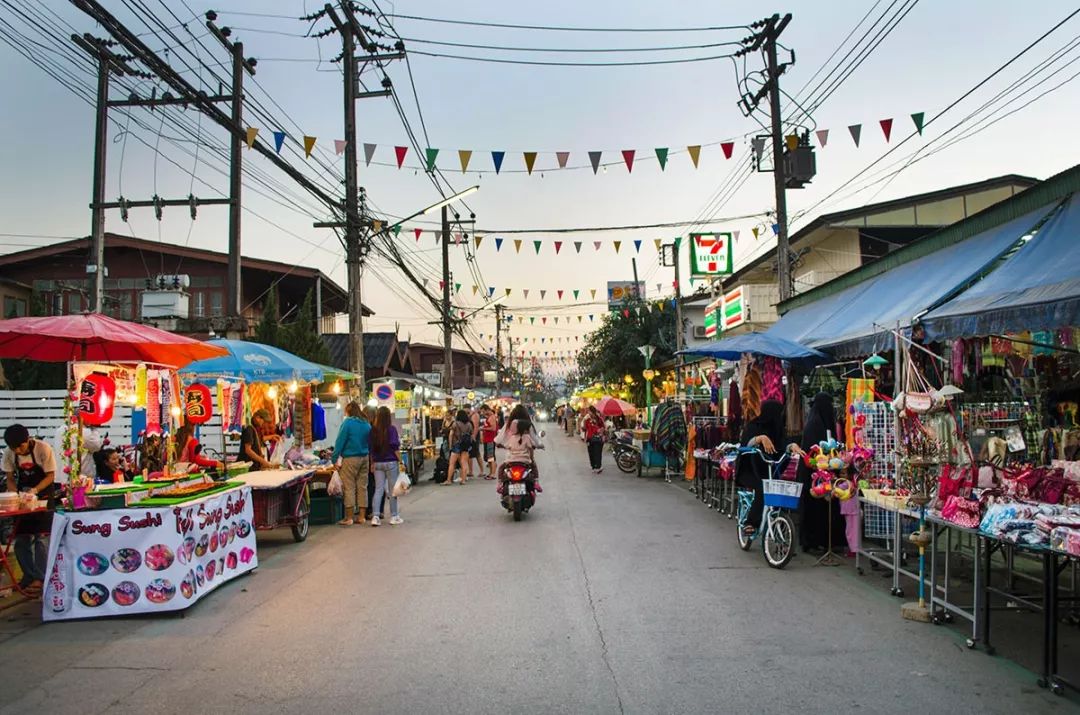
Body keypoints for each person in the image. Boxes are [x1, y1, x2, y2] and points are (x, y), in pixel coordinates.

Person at [3, 424, 56, 592]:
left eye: (20, 446)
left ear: (28, 440)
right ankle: (28, 575)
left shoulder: (43, 449)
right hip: (22, 497)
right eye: (14, 448)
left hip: (43, 496)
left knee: (42, 538)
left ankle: (41, 577)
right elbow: (10, 478)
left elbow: (50, 476)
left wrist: (35, 491)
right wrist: (15, 496)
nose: (18, 451)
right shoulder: (9, 453)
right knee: (21, 539)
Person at [736, 400, 801, 536]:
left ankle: (780, 529)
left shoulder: (778, 429)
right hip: (752, 470)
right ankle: (750, 523)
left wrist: (791, 446)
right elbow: (746, 444)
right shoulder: (753, 426)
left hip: (771, 469)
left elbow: (782, 445)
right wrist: (759, 438)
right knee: (762, 489)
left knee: (778, 490)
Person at [798, 393, 847, 553]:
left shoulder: (814, 422)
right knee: (817, 507)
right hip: (815, 475)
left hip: (815, 474)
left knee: (818, 507)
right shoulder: (817, 425)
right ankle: (815, 541)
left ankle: (818, 541)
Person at [332, 401, 371, 525]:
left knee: (349, 487)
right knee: (362, 487)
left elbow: (340, 441)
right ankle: (362, 517)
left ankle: (349, 518)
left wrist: (334, 458)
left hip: (350, 459)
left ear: (348, 411)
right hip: (365, 458)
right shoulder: (366, 424)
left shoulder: (348, 423)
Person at [368, 406, 403, 526]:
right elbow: (395, 447)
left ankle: (375, 517)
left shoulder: (373, 431)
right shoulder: (391, 429)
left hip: (377, 463)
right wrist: (401, 461)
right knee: (393, 490)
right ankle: (394, 516)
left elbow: (371, 449)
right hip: (391, 462)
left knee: (378, 489)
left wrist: (372, 463)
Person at [496, 405, 544, 490]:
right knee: (533, 466)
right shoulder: (528, 430)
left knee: (501, 468)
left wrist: (500, 445)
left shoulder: (509, 428)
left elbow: (499, 440)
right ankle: (536, 482)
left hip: (510, 460)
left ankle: (500, 484)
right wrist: (539, 445)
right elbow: (535, 441)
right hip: (525, 459)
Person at [443, 409, 474, 485]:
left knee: (452, 463)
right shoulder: (469, 424)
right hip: (465, 445)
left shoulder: (455, 424)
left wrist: (450, 445)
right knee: (464, 462)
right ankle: (463, 480)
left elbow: (451, 435)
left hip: (456, 444)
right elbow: (471, 434)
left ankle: (449, 480)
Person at [583, 405, 606, 474]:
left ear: (592, 411)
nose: (588, 413)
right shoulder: (587, 419)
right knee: (591, 453)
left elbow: (603, 427)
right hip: (589, 438)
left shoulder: (599, 418)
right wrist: (584, 420)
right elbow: (584, 428)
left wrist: (600, 431)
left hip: (598, 438)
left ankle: (598, 467)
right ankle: (593, 466)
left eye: (589, 411)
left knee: (598, 453)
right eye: (588, 411)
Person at [480, 404, 499, 479]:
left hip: (490, 440)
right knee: (489, 458)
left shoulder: (492, 417)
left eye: (483, 411)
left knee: (491, 457)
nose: (482, 413)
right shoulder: (489, 417)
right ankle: (490, 473)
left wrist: (483, 428)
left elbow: (493, 428)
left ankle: (493, 474)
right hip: (487, 439)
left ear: (486, 409)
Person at [468, 404, 484, 477]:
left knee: (477, 454)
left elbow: (476, 426)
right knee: (469, 454)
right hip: (471, 436)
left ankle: (482, 471)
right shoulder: (471, 415)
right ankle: (470, 471)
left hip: (474, 436)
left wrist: (474, 436)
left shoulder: (475, 415)